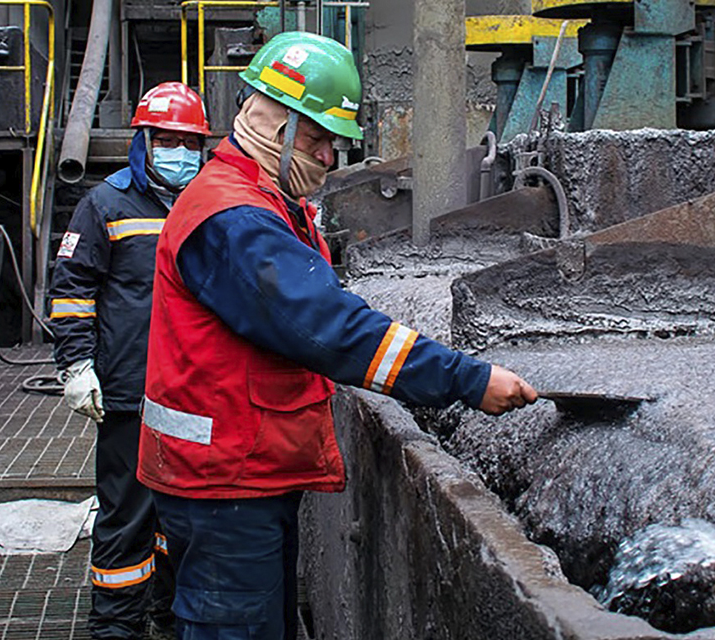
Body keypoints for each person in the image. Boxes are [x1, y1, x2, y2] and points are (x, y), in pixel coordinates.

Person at [137, 32, 537, 640]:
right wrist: (469, 380)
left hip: (235, 473)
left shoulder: (260, 200)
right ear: (279, 127)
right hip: (225, 484)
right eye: (320, 139)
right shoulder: (236, 220)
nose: (330, 158)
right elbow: (330, 329)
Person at [48, 81, 210, 640]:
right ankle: (116, 626)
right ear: (142, 141)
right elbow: (72, 290)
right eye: (166, 139)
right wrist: (76, 365)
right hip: (130, 390)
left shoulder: (210, 200)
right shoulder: (106, 204)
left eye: (189, 142)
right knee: (126, 515)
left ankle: (170, 612)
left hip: (193, 392)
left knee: (182, 513)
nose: (180, 152)